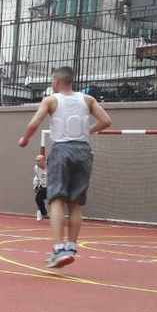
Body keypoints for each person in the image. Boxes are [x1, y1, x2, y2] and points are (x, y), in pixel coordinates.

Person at [18, 66, 112, 268]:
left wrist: (25, 138)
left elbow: (34, 123)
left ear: (57, 81)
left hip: (62, 149)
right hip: (83, 151)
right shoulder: (88, 100)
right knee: (76, 203)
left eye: (52, 80)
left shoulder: (51, 100)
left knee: (56, 199)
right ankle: (71, 246)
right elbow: (106, 121)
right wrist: (88, 131)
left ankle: (59, 248)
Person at [33, 154, 48, 221]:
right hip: (44, 187)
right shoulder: (36, 168)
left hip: (52, 187)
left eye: (38, 160)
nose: (37, 162)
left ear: (44, 161)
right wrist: (36, 186)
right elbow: (37, 177)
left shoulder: (50, 167)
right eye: (36, 160)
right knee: (38, 198)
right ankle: (44, 213)